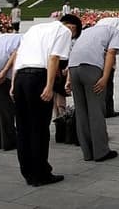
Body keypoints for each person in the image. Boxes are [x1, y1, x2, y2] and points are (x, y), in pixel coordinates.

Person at [11, 14, 81, 186]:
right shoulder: (63, 31)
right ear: (72, 27)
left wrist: (13, 83)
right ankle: (40, 174)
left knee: (23, 128)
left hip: (21, 78)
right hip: (38, 78)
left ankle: (28, 172)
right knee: (39, 128)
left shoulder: (35, 29)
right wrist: (49, 86)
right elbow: (54, 58)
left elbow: (18, 55)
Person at [66, 18, 119, 162]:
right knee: (96, 111)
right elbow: (110, 53)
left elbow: (74, 52)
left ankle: (87, 152)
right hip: (91, 68)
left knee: (81, 112)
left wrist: (68, 79)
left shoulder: (87, 31)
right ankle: (101, 152)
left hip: (73, 69)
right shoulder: (115, 32)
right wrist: (105, 77)